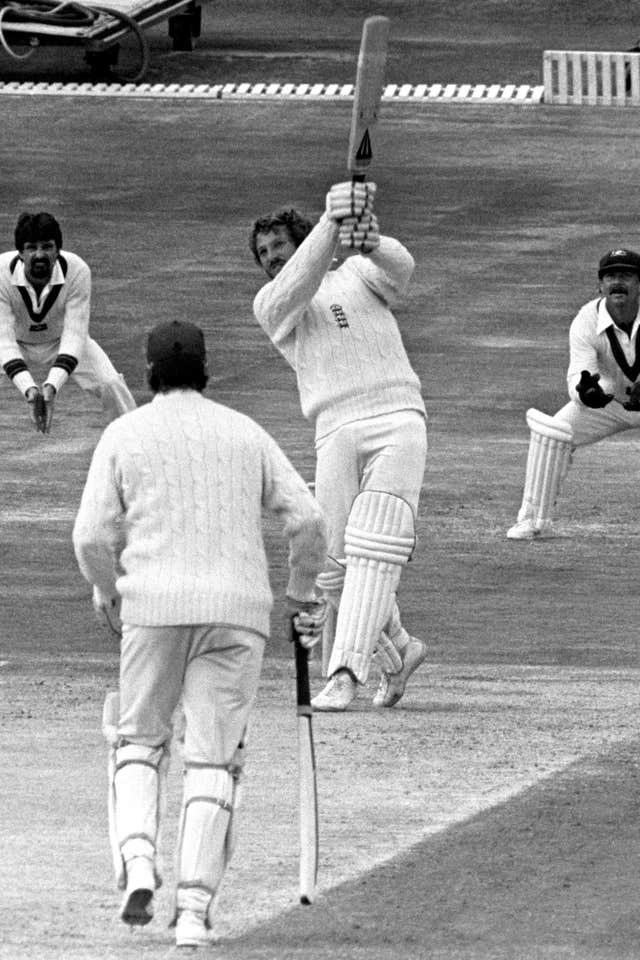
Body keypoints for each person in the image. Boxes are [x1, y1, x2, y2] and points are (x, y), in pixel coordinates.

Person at [72, 319, 327, 948]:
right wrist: (299, 593)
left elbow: (89, 535)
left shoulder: (125, 433)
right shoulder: (246, 431)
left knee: (137, 742)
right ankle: (192, 913)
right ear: (205, 371)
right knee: (214, 761)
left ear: (150, 374)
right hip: (237, 613)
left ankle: (136, 863)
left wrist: (107, 589)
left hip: (152, 607)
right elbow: (309, 519)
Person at [249, 180, 428, 712]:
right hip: (335, 426)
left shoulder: (354, 273)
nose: (271, 259)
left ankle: (346, 672)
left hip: (398, 417)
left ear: (298, 242)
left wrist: (367, 238)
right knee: (330, 564)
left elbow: (402, 270)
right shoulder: (273, 305)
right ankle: (398, 649)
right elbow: (298, 283)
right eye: (262, 254)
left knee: (375, 545)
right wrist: (333, 220)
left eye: (278, 246)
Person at [507, 247, 640, 539]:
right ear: (600, 285)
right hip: (610, 402)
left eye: (627, 276)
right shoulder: (586, 319)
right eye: (611, 276)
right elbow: (579, 373)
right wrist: (586, 393)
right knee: (554, 433)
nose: (618, 282)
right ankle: (532, 520)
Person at [0, 211, 136, 433]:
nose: (39, 255)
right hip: (14, 341)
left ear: (58, 250)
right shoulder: (1, 273)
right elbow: (3, 342)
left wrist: (52, 385)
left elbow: (75, 335)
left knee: (112, 385)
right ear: (20, 252)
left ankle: (134, 443)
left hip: (61, 339)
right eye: (31, 248)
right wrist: (30, 390)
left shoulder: (78, 270)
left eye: (47, 247)